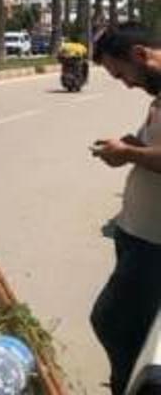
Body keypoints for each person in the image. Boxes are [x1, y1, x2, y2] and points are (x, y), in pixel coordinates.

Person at [89, 23, 161, 394]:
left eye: (121, 74)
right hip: (137, 233)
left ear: (139, 55)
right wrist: (129, 145)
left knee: (111, 320)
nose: (126, 84)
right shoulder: (158, 95)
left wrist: (129, 153)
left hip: (154, 243)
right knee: (134, 325)